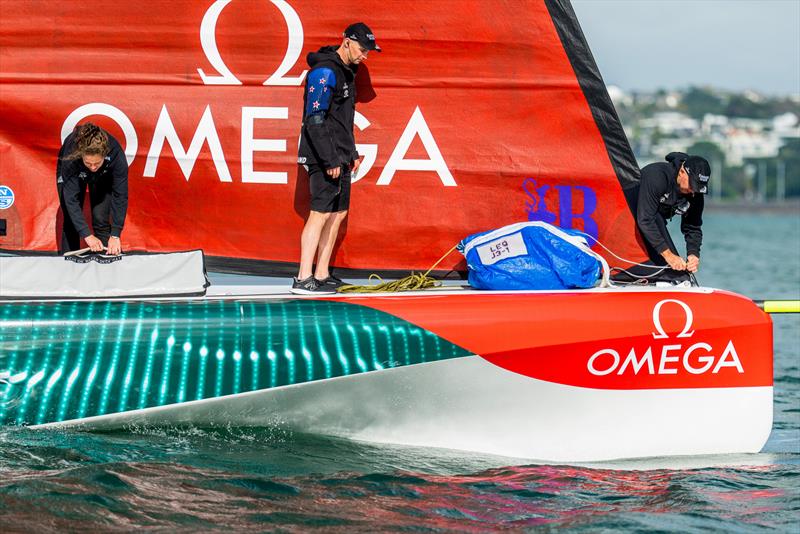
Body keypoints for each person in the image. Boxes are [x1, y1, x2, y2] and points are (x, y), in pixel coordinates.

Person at [291, 22, 381, 295]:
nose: (365, 55)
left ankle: (322, 273)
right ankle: (303, 277)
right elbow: (315, 120)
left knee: (338, 213)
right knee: (319, 214)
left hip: (340, 155)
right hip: (322, 156)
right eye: (362, 49)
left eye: (368, 51)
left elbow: (343, 120)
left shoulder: (347, 72)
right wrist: (330, 159)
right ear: (346, 42)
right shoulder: (324, 71)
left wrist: (350, 154)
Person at [623, 151, 711, 283]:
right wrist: (669, 256)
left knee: (680, 273)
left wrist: (693, 254)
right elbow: (646, 220)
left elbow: (693, 226)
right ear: (682, 171)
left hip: (651, 225)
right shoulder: (657, 176)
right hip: (629, 220)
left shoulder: (695, 193)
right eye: (692, 185)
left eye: (698, 188)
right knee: (673, 269)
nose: (694, 192)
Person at [56, 123, 128, 255]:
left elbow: (120, 195)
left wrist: (116, 234)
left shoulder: (116, 154)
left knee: (100, 218)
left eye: (97, 163)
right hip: (75, 169)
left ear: (104, 155)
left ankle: (107, 263)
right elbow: (71, 200)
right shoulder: (71, 155)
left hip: (104, 174)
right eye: (88, 163)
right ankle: (68, 266)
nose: (93, 167)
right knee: (70, 220)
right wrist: (87, 236)